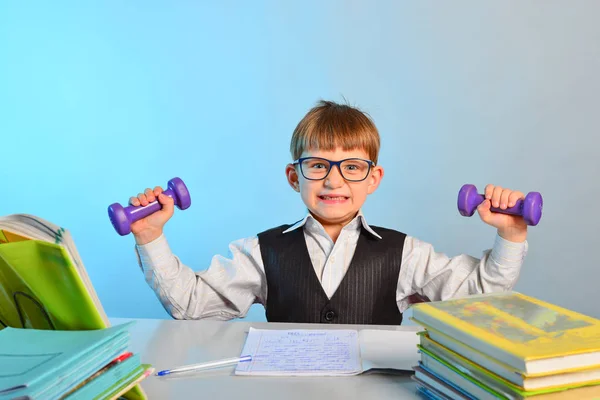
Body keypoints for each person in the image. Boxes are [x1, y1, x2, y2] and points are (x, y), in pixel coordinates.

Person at [130, 100, 528, 325]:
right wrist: (151, 237)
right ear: (294, 176)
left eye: (352, 167)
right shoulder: (261, 251)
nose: (334, 182)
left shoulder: (406, 253)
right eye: (318, 166)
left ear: (374, 179)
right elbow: (191, 307)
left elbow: (480, 297)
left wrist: (510, 235)